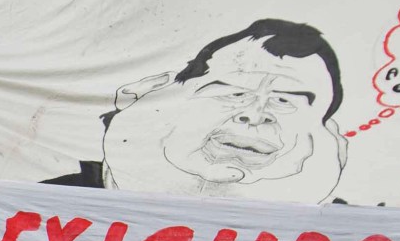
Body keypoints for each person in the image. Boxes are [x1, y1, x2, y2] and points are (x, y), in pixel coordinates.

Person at [89, 20, 348, 200]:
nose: (254, 116)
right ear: (149, 92)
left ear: (330, 134)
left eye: (284, 101)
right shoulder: (59, 198)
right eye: (234, 93)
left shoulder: (350, 239)